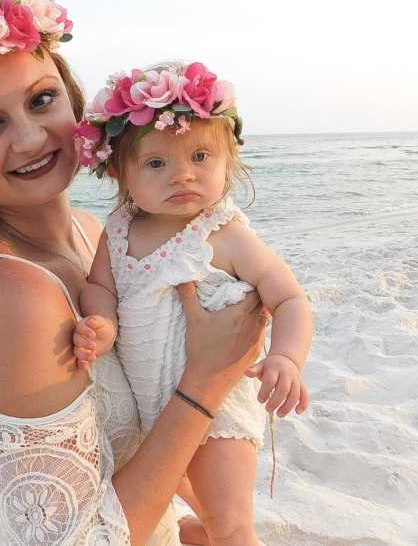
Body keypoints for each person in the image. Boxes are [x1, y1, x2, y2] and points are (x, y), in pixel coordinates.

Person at [0, 0, 267, 545]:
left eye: (40, 100)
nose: (30, 138)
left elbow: (140, 432)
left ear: (74, 101)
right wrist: (207, 380)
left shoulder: (96, 233)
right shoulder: (9, 295)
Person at [72, 62, 313, 545]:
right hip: (153, 414)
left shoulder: (224, 234)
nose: (183, 174)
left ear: (229, 161)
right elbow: (102, 287)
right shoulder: (117, 231)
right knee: (195, 505)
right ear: (120, 172)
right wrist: (101, 322)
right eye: (157, 163)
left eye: (201, 155)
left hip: (219, 410)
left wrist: (286, 357)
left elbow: (288, 298)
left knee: (232, 525)